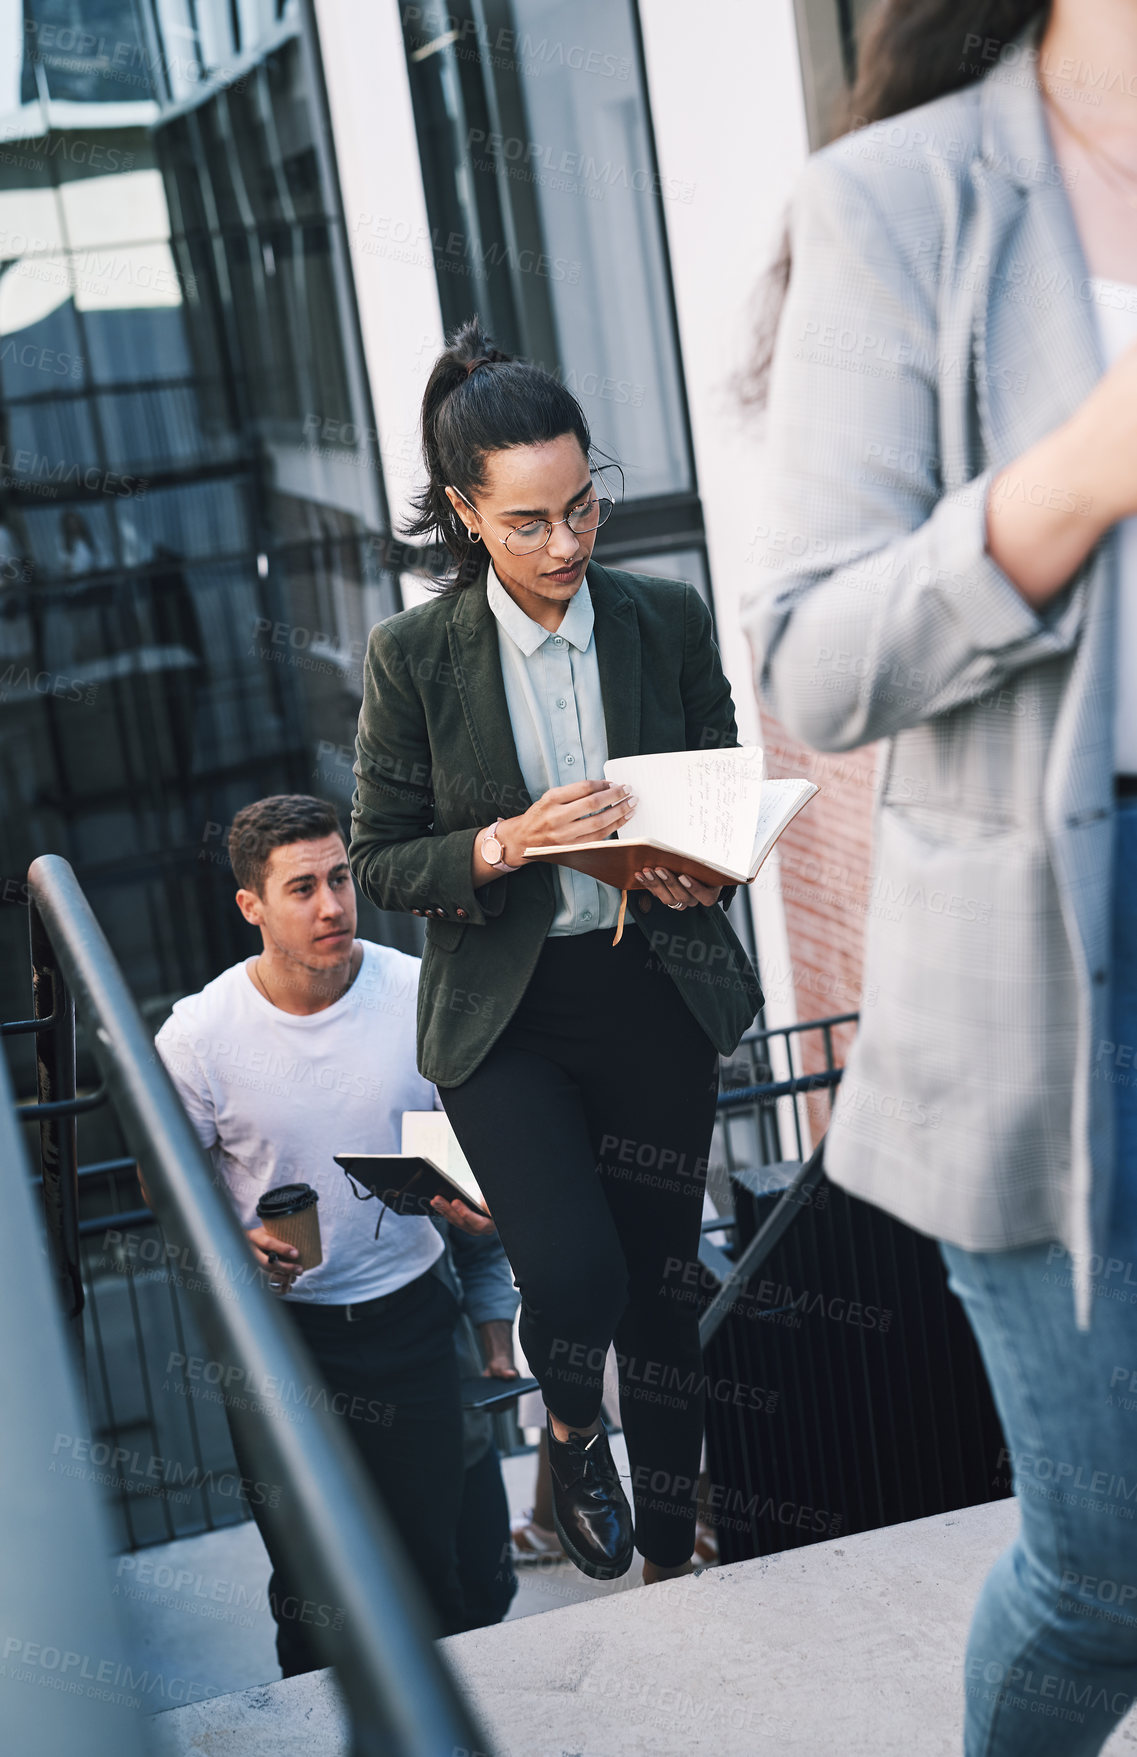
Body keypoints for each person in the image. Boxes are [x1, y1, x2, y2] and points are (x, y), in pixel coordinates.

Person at [744, 1, 1137, 1751]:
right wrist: (1074, 475)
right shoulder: (904, 199)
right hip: (1052, 975)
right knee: (1110, 1571)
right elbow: (815, 662)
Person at [349, 319, 763, 1586]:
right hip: (507, 1017)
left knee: (663, 1288)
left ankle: (682, 1562)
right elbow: (381, 859)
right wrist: (507, 843)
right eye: (528, 522)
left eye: (581, 507)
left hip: (652, 986)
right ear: (468, 514)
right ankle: (577, 1435)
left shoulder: (665, 617)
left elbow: (723, 787)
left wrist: (703, 858)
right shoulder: (412, 657)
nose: (567, 543)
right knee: (574, 1275)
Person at [151, 793, 520, 1672]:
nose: (331, 905)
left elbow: (473, 1154)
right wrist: (225, 1236)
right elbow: (162, 1181)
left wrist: (481, 1212)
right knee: (312, 1588)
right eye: (303, 887)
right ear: (251, 906)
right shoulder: (198, 1036)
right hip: (284, 1340)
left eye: (342, 878)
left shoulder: (411, 988)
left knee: (442, 1575)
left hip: (413, 1318)